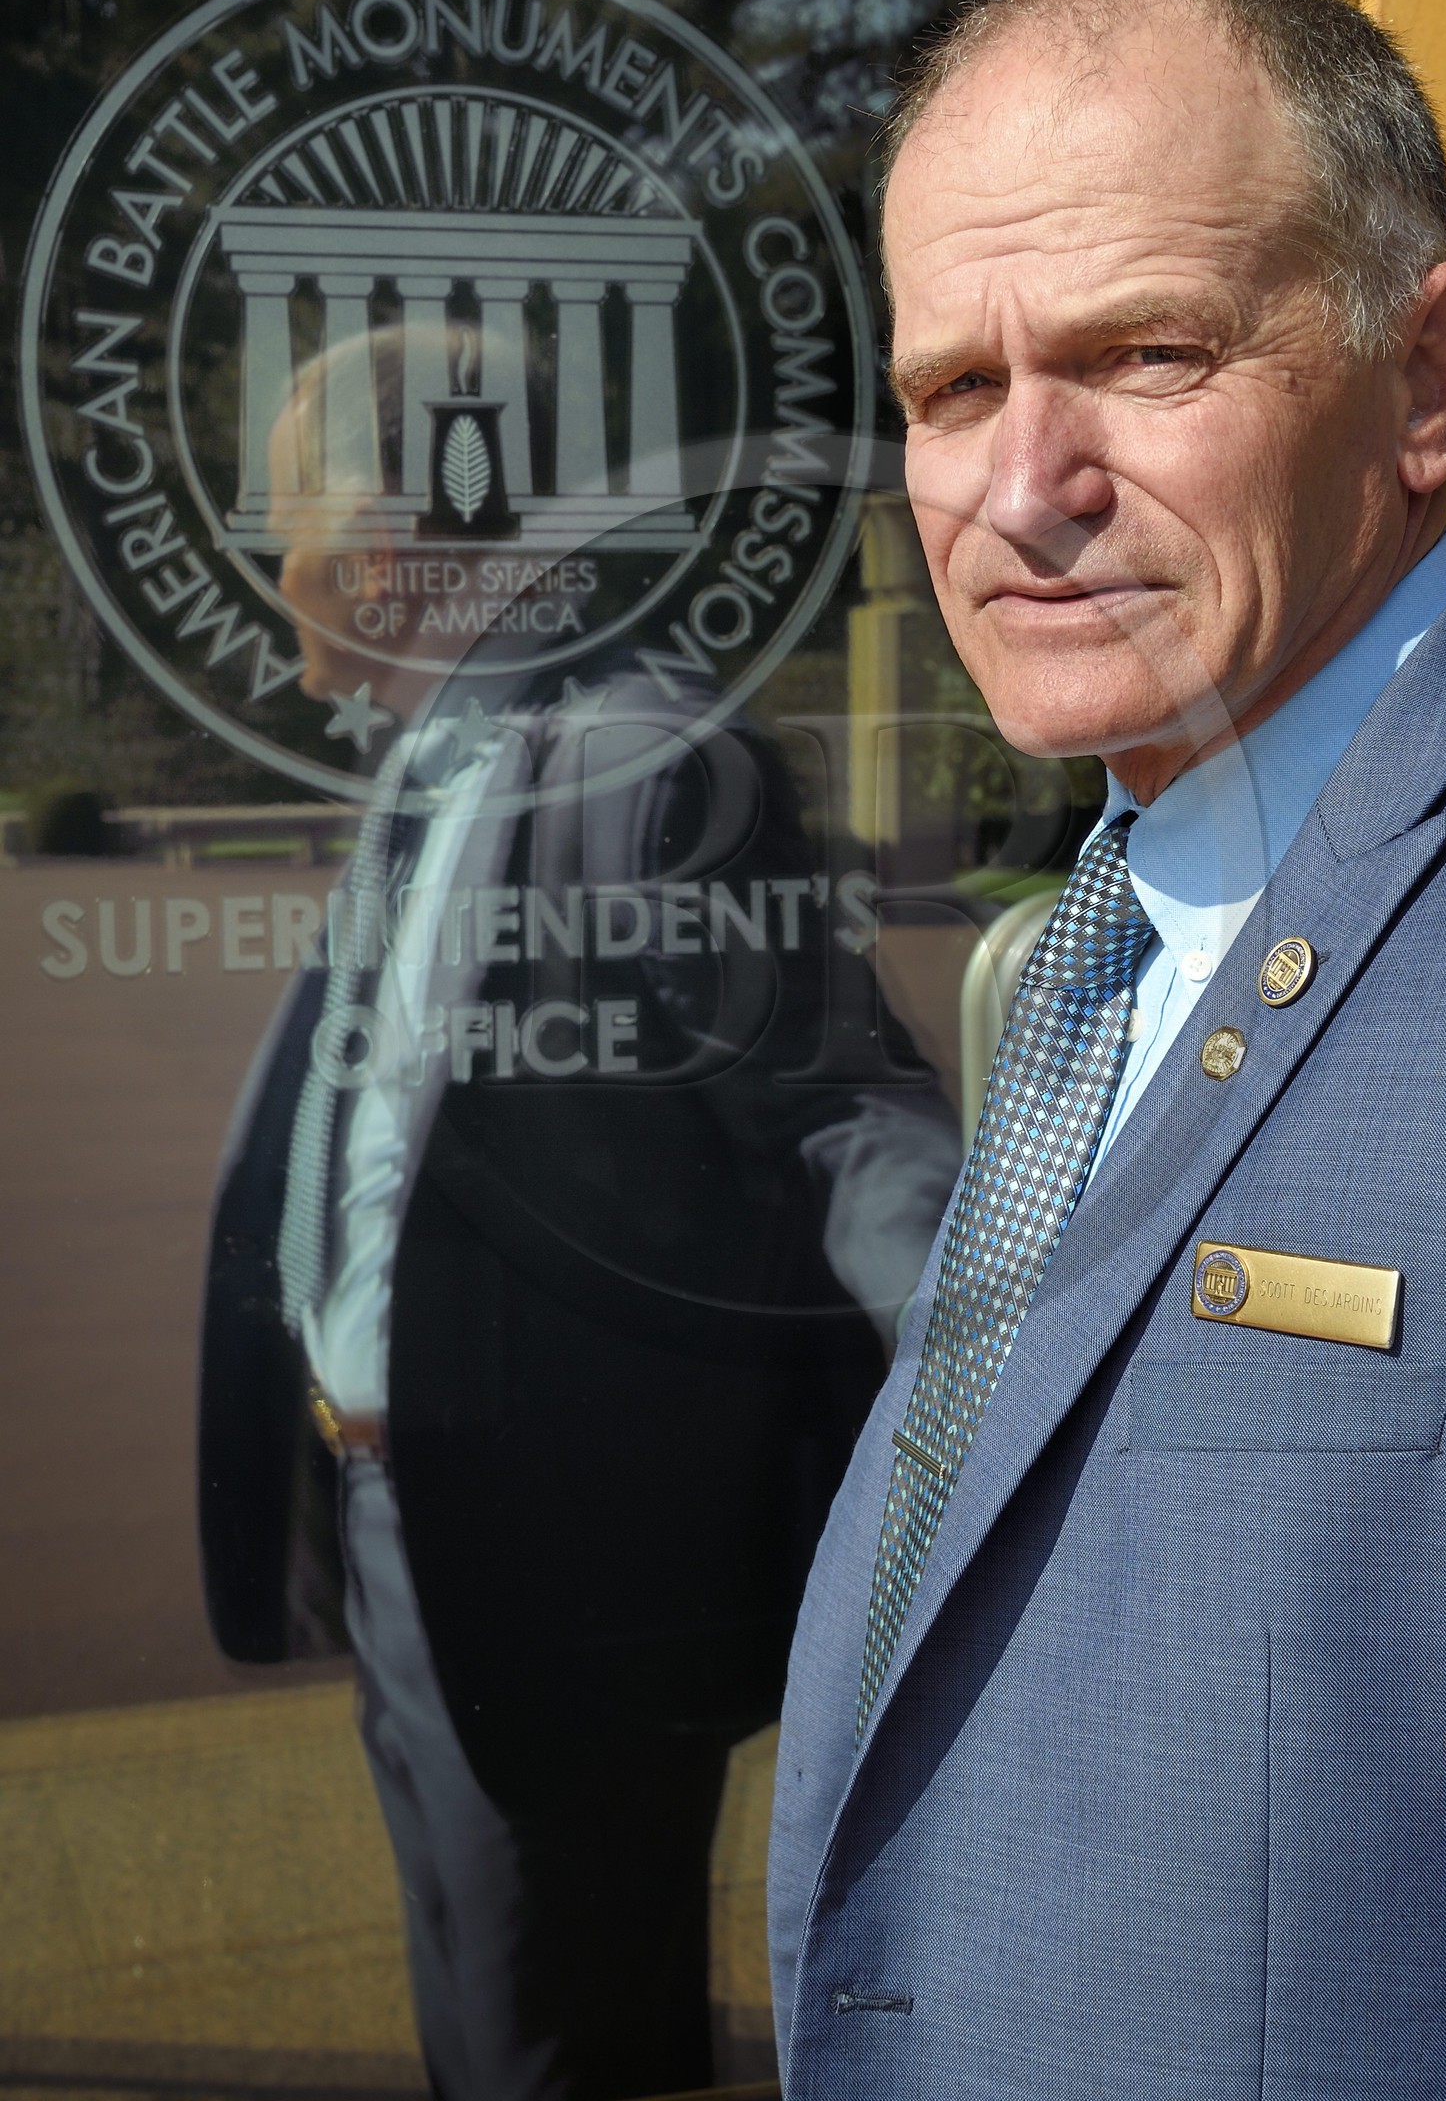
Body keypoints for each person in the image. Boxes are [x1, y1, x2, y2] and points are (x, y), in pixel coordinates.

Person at [769, 0, 1446, 2098]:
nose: (1022, 484)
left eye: (1145, 354)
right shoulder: (1109, 935)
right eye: (955, 389)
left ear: (1430, 380)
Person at [199, 332, 961, 2100]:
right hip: (405, 1534)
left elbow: (839, 1107)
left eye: (284, 532)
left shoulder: (641, 760)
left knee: (551, 2047)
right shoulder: (434, 761)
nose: (275, 574)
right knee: (484, 2023)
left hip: (554, 1575)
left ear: (381, 552)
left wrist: (999, 1356)